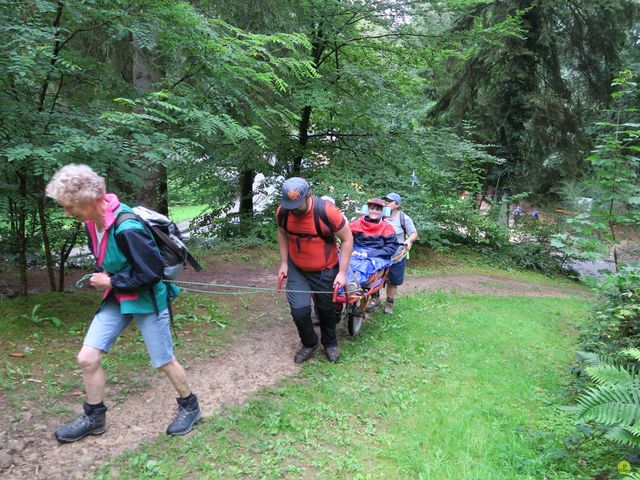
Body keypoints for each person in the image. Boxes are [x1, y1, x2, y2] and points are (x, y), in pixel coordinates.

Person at [45, 164, 201, 443]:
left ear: (90, 200)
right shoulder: (92, 223)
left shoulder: (128, 227)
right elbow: (108, 258)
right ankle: (94, 417)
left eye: (70, 207)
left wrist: (111, 281)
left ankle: (190, 406)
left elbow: (152, 274)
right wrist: (108, 278)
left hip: (146, 298)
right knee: (87, 358)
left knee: (163, 360)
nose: (68, 213)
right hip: (117, 298)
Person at [277, 177, 353, 364]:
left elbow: (348, 239)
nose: (292, 208)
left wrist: (342, 273)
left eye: (296, 204)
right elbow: (281, 233)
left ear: (308, 196)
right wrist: (284, 263)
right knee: (299, 311)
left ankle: (330, 343)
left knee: (326, 309)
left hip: (325, 269)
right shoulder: (283, 212)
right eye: (289, 204)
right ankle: (310, 343)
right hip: (297, 269)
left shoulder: (327, 212)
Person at [381, 192, 418, 315]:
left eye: (389, 201)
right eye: (385, 200)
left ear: (397, 204)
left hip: (397, 256)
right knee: (374, 278)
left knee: (393, 282)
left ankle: (389, 304)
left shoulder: (404, 218)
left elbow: (414, 233)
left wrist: (408, 240)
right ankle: (374, 298)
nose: (386, 203)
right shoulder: (380, 216)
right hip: (380, 255)